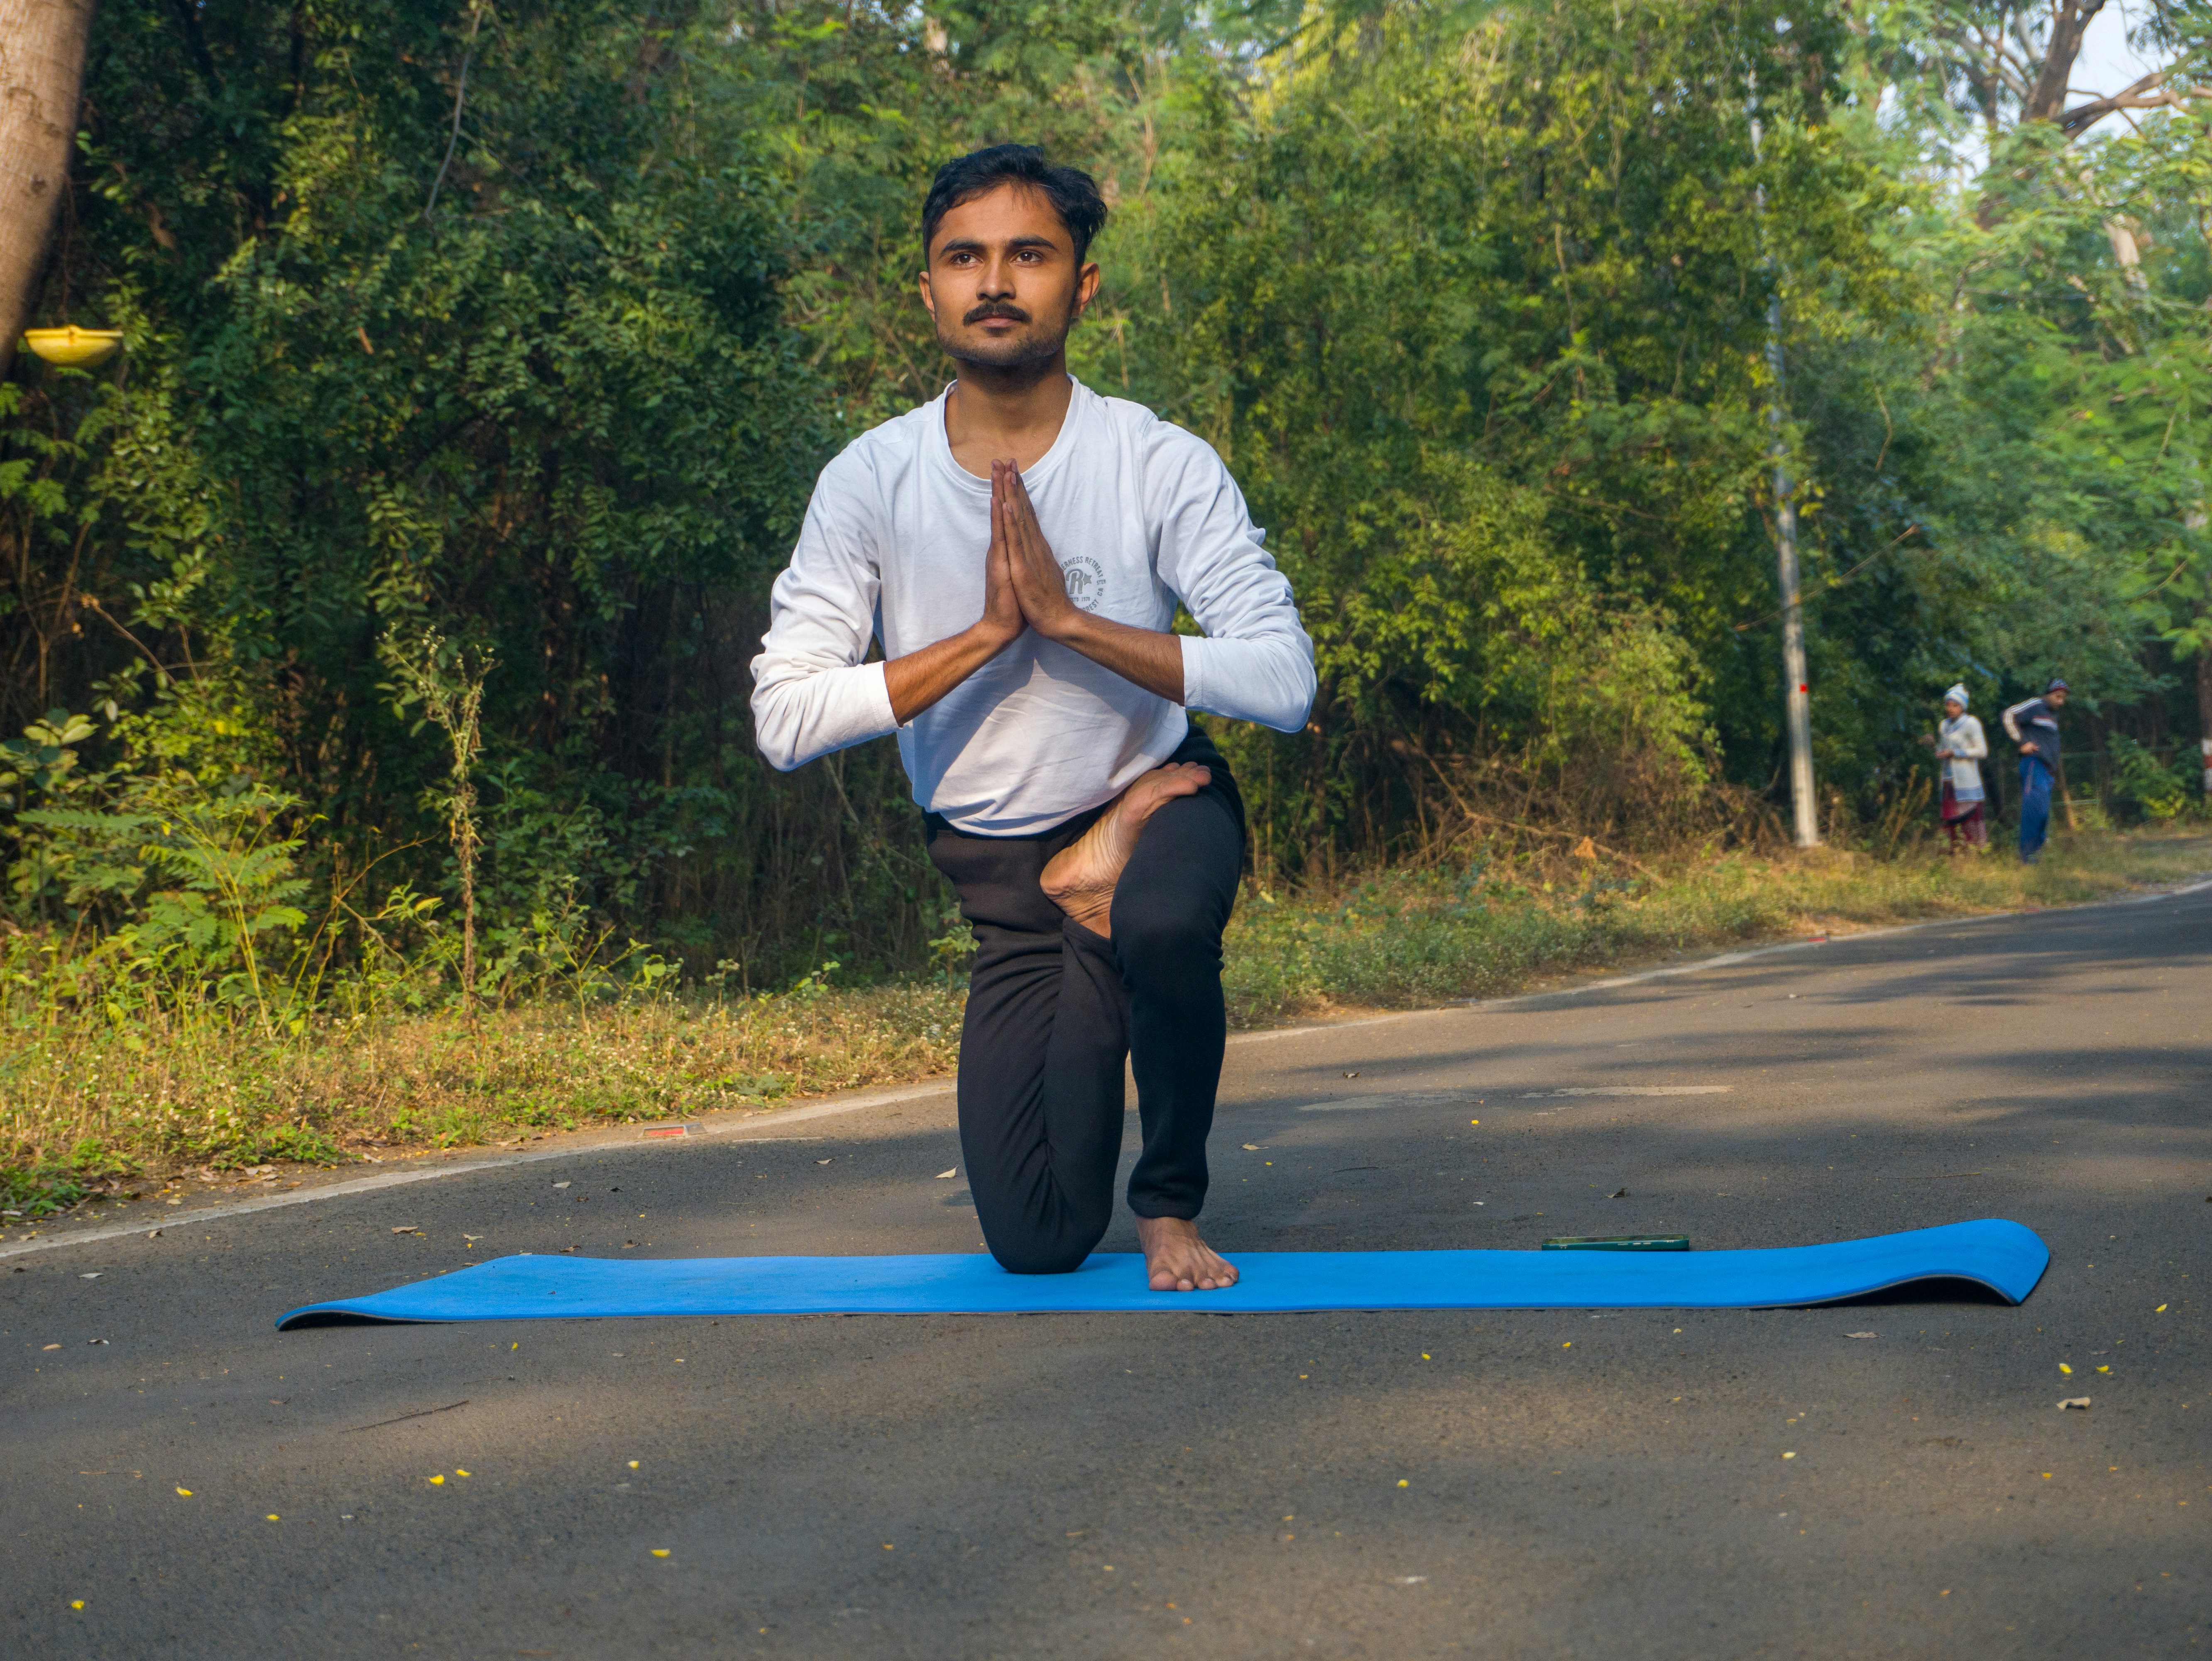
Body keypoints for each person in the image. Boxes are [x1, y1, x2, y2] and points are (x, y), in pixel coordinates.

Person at [749, 145, 1316, 1293]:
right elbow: (784, 716)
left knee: (1162, 927)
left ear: (1082, 286)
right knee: (1038, 1241)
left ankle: (1168, 1204)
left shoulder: (1157, 462)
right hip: (1000, 872)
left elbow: (1283, 680)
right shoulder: (870, 480)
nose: (994, 280)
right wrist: (984, 638)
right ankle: (1080, 896)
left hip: (1158, 799)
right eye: (965, 257)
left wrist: (1071, 623)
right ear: (929, 290)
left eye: (1028, 255)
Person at [2002, 678, 2070, 864]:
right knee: (2033, 810)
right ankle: (2027, 855)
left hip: (2047, 770)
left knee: (2042, 812)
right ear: (2048, 694)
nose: (2061, 702)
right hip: (2034, 764)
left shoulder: (2052, 715)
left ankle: (2035, 854)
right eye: (2057, 697)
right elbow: (2008, 715)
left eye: (2063, 698)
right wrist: (2022, 742)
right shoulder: (2036, 705)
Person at [1933, 684, 1988, 853]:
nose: (1950, 709)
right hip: (1949, 781)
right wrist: (1933, 747)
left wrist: (1957, 753)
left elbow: (1982, 751)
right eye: (1948, 705)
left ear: (1963, 706)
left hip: (1967, 782)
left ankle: (1973, 855)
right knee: (1950, 820)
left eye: (1955, 705)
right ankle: (1953, 857)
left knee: (1969, 820)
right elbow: (1942, 751)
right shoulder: (1944, 726)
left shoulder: (1971, 723)